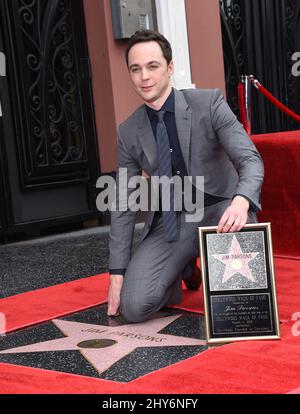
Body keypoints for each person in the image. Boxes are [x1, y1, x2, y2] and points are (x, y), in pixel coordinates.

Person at [107, 30, 264, 322]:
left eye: (152, 66)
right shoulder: (128, 132)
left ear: (169, 68)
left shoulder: (209, 104)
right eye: (136, 69)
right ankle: (186, 267)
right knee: (134, 307)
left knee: (240, 305)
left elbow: (249, 158)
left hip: (222, 212)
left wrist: (242, 202)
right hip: (173, 222)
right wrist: (117, 273)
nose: (144, 76)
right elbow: (123, 202)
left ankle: (189, 263)